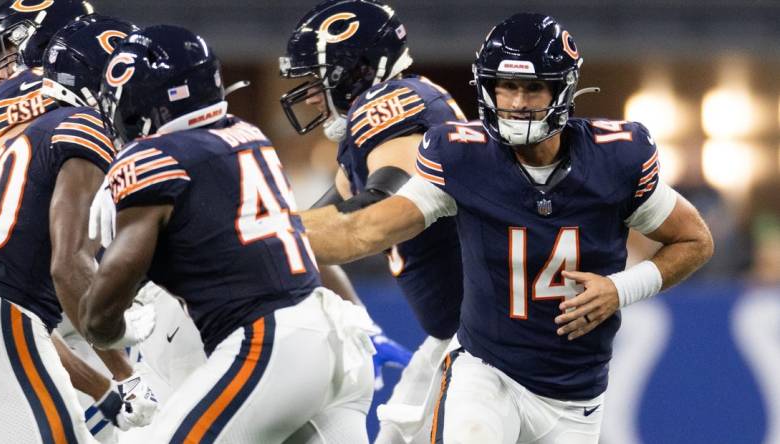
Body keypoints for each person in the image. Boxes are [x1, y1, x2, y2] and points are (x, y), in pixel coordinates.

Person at [300, 13, 714, 444]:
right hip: (486, 370)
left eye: (533, 87)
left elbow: (694, 239)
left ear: (562, 88)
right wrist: (260, 235)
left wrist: (621, 289)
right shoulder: (462, 157)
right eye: (507, 86)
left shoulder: (616, 159)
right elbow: (365, 229)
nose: (517, 102)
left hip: (575, 397)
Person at [79, 25, 377, 443]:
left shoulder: (154, 159)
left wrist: (114, 329)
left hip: (268, 343)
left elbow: (100, 309)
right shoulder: (247, 136)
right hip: (331, 340)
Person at [280, 2, 465, 441]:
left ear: (354, 71)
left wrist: (247, 240)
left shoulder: (392, 105)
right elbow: (316, 231)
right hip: (454, 340)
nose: (308, 95)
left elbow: (371, 216)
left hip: (485, 346)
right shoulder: (371, 129)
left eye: (317, 80)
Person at [0, 1, 156, 442]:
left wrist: (108, 388)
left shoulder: (20, 121)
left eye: (10, 48)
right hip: (38, 302)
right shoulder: (83, 123)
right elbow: (63, 270)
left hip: (28, 309)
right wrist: (121, 358)